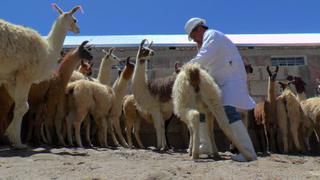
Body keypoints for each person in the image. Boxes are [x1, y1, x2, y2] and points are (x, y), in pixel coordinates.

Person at [184, 17, 257, 162]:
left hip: (231, 80)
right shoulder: (206, 40)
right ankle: (205, 145)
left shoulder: (212, 35)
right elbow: (205, 65)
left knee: (228, 112)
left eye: (193, 37)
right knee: (202, 108)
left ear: (199, 29)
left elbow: (203, 57)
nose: (194, 41)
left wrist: (185, 69)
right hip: (220, 83)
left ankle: (249, 152)